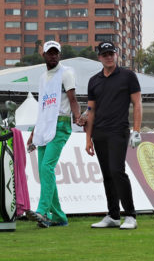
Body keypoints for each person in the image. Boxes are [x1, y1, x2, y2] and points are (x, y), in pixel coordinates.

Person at [84, 41, 142, 230]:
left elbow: (137, 104)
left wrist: (137, 130)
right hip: (99, 132)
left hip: (119, 131)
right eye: (105, 54)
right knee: (107, 175)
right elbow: (91, 111)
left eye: (111, 53)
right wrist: (88, 139)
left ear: (116, 55)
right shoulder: (94, 81)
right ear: (99, 57)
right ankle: (113, 215)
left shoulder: (128, 76)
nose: (109, 57)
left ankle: (131, 215)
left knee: (117, 171)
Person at [26, 40, 82, 228]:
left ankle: (42, 211)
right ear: (44, 55)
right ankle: (58, 216)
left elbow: (73, 98)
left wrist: (77, 117)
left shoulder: (66, 73)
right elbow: (42, 107)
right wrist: (34, 132)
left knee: (47, 167)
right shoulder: (43, 78)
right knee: (44, 170)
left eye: (56, 53)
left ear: (60, 54)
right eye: (50, 53)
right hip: (44, 125)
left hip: (61, 124)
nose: (53, 56)